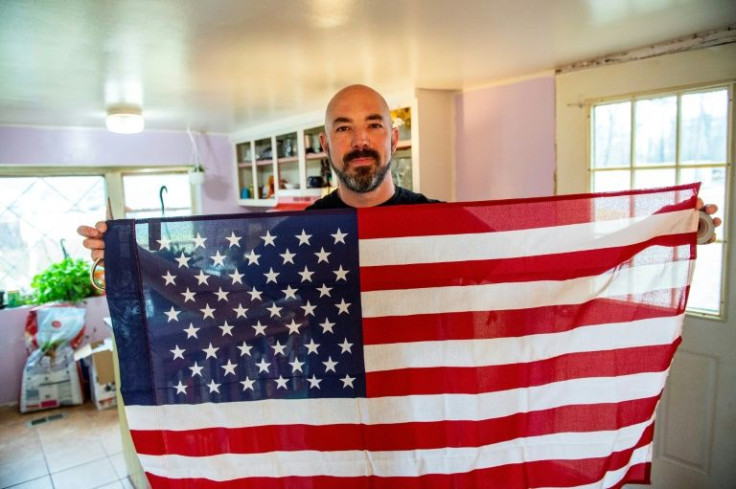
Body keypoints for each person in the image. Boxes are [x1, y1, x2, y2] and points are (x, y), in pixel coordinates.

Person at [78, 84, 721, 261]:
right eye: (343, 128)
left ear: (394, 137)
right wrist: (126, 257)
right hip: (333, 406)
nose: (361, 141)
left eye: (374, 125)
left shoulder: (441, 222)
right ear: (325, 146)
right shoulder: (290, 232)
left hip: (423, 411)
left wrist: (661, 229)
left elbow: (542, 250)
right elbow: (223, 288)